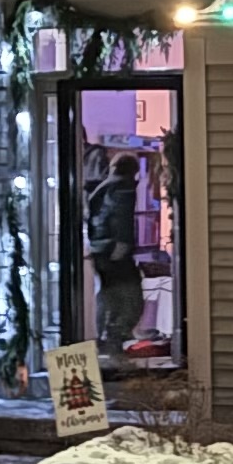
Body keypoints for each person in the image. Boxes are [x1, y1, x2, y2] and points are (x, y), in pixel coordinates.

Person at [87, 152, 145, 361]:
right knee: (131, 297)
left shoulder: (103, 187)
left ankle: (105, 337)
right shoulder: (124, 188)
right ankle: (115, 336)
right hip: (114, 251)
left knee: (108, 295)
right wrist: (122, 246)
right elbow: (122, 218)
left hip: (100, 249)